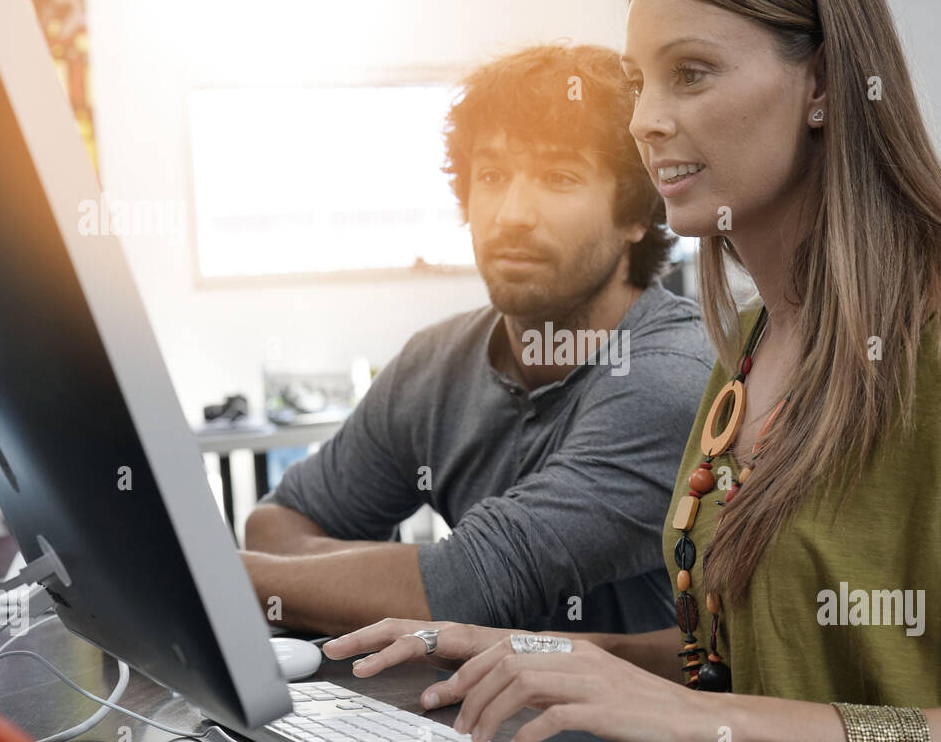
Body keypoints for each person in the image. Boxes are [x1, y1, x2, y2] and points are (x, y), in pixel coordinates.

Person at [326, 0, 941, 742]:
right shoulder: (749, 350)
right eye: (642, 83)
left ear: (825, 84)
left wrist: (715, 720)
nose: (646, 121)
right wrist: (538, 653)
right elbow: (733, 681)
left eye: (692, 74)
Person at [241, 44, 715, 637]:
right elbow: (278, 523)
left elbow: (467, 589)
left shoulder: (672, 379)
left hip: (632, 729)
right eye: (491, 176)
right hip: (465, 720)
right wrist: (365, 576)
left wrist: (222, 577)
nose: (512, 213)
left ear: (636, 214)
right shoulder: (434, 363)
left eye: (559, 177)